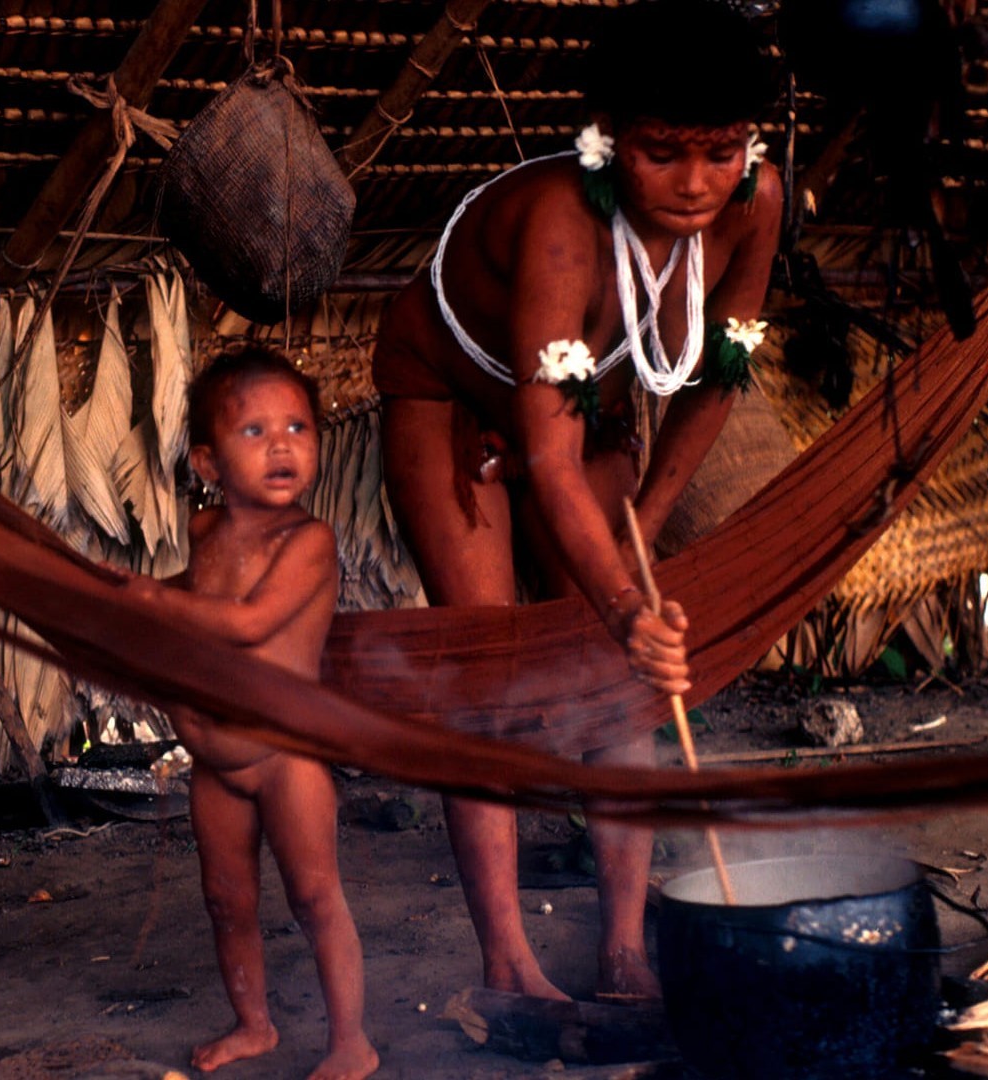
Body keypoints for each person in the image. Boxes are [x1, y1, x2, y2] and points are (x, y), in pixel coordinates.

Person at [371, 0, 782, 1003]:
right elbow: (550, 467)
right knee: (489, 671)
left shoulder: (759, 200)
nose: (695, 184)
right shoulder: (564, 220)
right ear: (607, 142)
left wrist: (635, 535)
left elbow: (718, 374)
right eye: (662, 153)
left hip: (581, 402)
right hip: (448, 395)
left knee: (615, 682)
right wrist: (634, 610)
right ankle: (510, 966)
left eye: (720, 151)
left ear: (751, 144)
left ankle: (626, 949)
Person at [121, 346, 379, 1080]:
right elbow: (194, 592)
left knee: (315, 896)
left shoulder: (308, 541)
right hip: (215, 764)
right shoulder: (206, 536)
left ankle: (350, 1041)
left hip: (285, 756)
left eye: (298, 429)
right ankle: (254, 1024)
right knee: (226, 900)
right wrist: (121, 593)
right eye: (256, 432)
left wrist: (146, 599)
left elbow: (245, 622)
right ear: (207, 464)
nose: (282, 447)